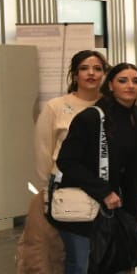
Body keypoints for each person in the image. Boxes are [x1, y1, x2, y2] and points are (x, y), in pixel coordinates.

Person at [52, 62, 137, 274]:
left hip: (115, 208)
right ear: (110, 85)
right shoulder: (92, 118)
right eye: (123, 80)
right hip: (84, 205)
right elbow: (67, 162)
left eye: (135, 80)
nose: (130, 85)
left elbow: (134, 165)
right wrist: (103, 191)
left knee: (102, 264)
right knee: (94, 266)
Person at [34, 49, 108, 192]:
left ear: (104, 75)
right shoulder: (55, 106)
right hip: (64, 186)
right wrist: (45, 191)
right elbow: (43, 152)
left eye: (97, 69)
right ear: (75, 75)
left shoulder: (111, 106)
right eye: (84, 68)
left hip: (104, 186)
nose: (91, 73)